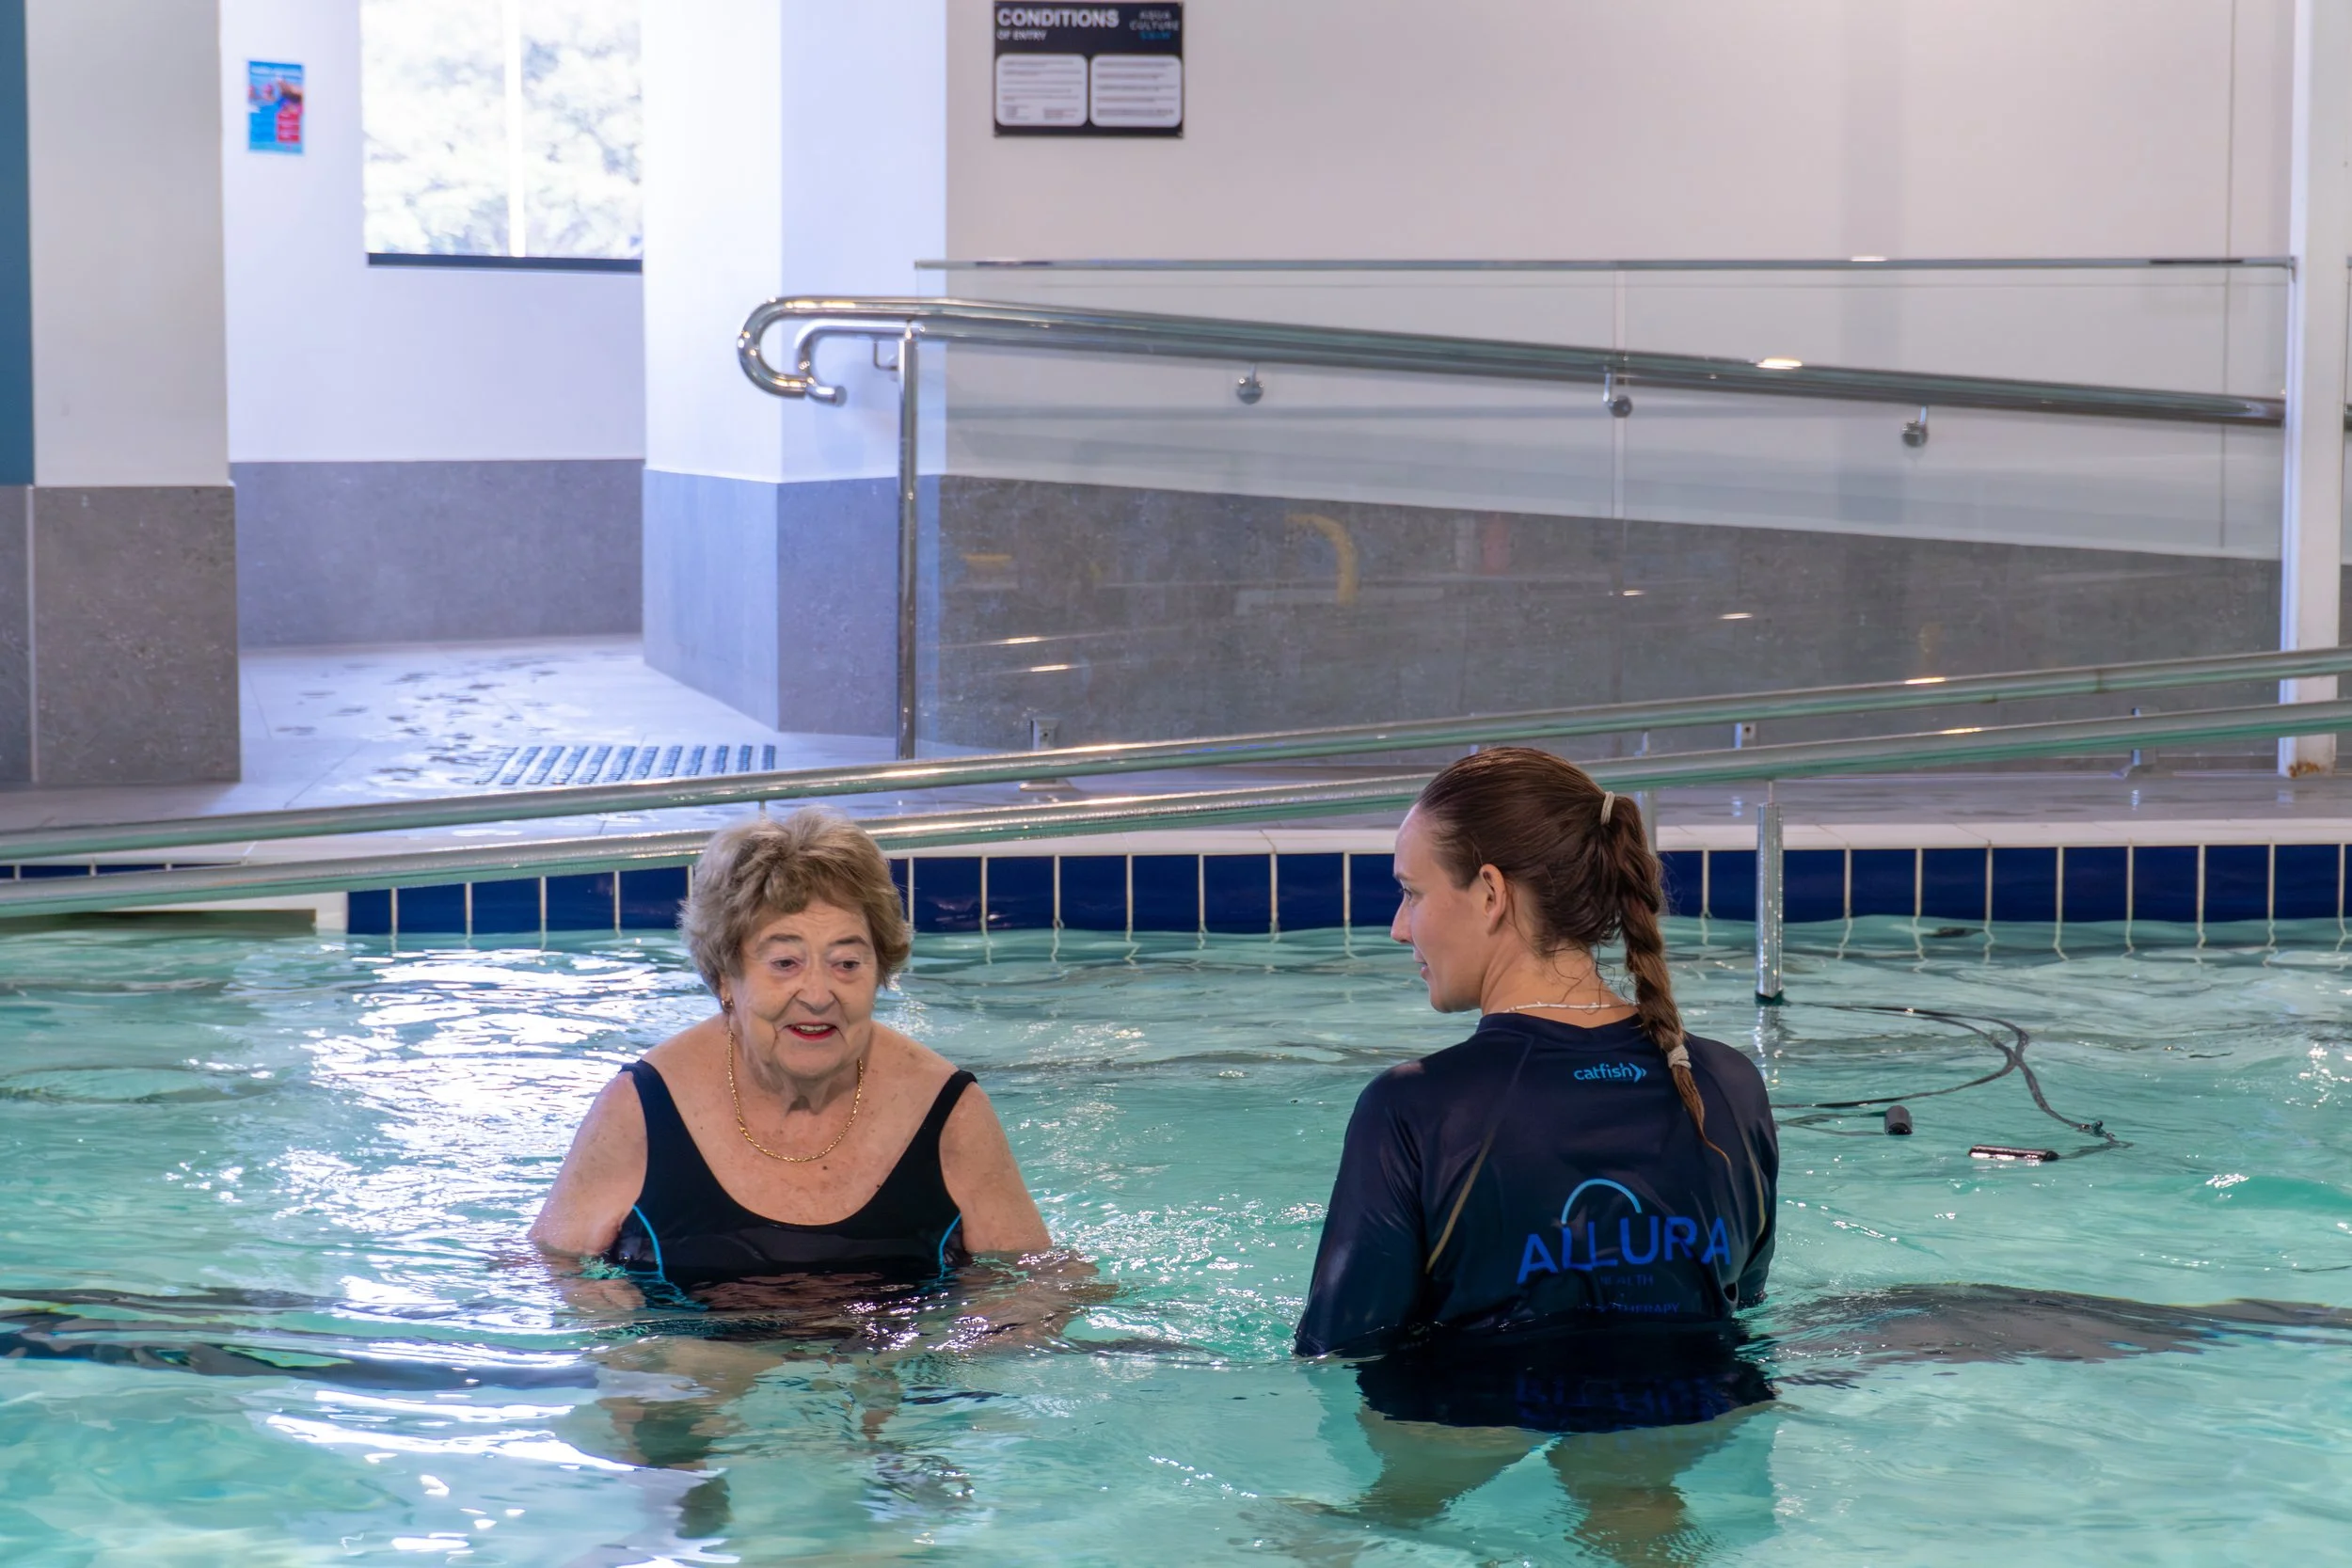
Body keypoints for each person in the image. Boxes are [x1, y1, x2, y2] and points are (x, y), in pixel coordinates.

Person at [1293, 747, 1780, 1557]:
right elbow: (1742, 1298)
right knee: (1634, 1497)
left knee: (1332, 1532)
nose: (1398, 925)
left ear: (1489, 893)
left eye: (1413, 892)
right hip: (1696, 1410)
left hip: (1463, 1427)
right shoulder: (1726, 1081)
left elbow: (1340, 1346)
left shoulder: (1414, 1106)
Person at [531, 808, 1052, 1297]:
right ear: (724, 978)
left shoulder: (948, 1110)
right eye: (785, 962)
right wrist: (615, 1323)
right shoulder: (640, 1108)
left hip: (885, 1378)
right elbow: (549, 1265)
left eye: (847, 963)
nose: (819, 994)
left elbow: (1033, 1285)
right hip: (690, 1375)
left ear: (880, 972)